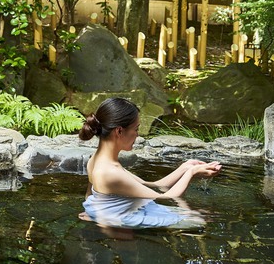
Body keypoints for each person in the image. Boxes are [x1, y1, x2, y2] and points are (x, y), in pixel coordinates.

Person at [78, 97, 220, 229]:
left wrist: (184, 167)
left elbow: (155, 185)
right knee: (200, 221)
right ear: (119, 131)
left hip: (124, 211)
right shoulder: (111, 172)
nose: (138, 134)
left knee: (201, 215)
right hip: (123, 218)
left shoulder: (96, 160)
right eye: (136, 129)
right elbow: (167, 197)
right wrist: (192, 172)